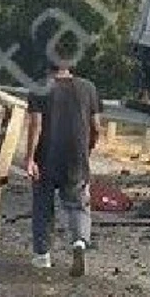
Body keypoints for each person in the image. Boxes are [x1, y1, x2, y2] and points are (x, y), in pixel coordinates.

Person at [22, 55, 103, 276]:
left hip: (46, 157)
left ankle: (42, 256)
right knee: (78, 205)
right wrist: (88, 149)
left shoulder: (39, 87)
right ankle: (79, 242)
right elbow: (97, 127)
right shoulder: (88, 88)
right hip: (76, 157)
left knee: (42, 206)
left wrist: (29, 158)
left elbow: (36, 124)